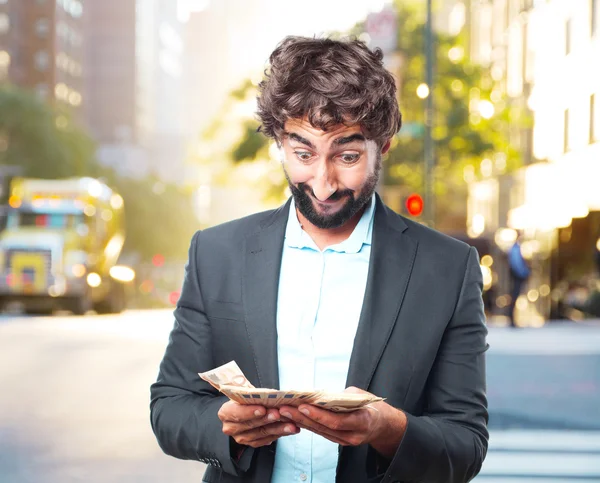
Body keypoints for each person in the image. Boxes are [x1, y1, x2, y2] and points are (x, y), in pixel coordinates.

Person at [150, 36, 488, 483]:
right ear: (279, 141)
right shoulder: (218, 253)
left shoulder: (447, 267)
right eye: (303, 153)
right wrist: (225, 424)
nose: (323, 184)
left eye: (347, 156)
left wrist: (386, 428)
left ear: (382, 146)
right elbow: (170, 408)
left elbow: (465, 445)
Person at [507, 232, 530, 327]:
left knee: (514, 297)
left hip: (517, 275)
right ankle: (511, 319)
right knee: (514, 296)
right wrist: (524, 273)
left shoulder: (516, 248)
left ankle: (512, 319)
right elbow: (516, 264)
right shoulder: (515, 249)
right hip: (517, 276)